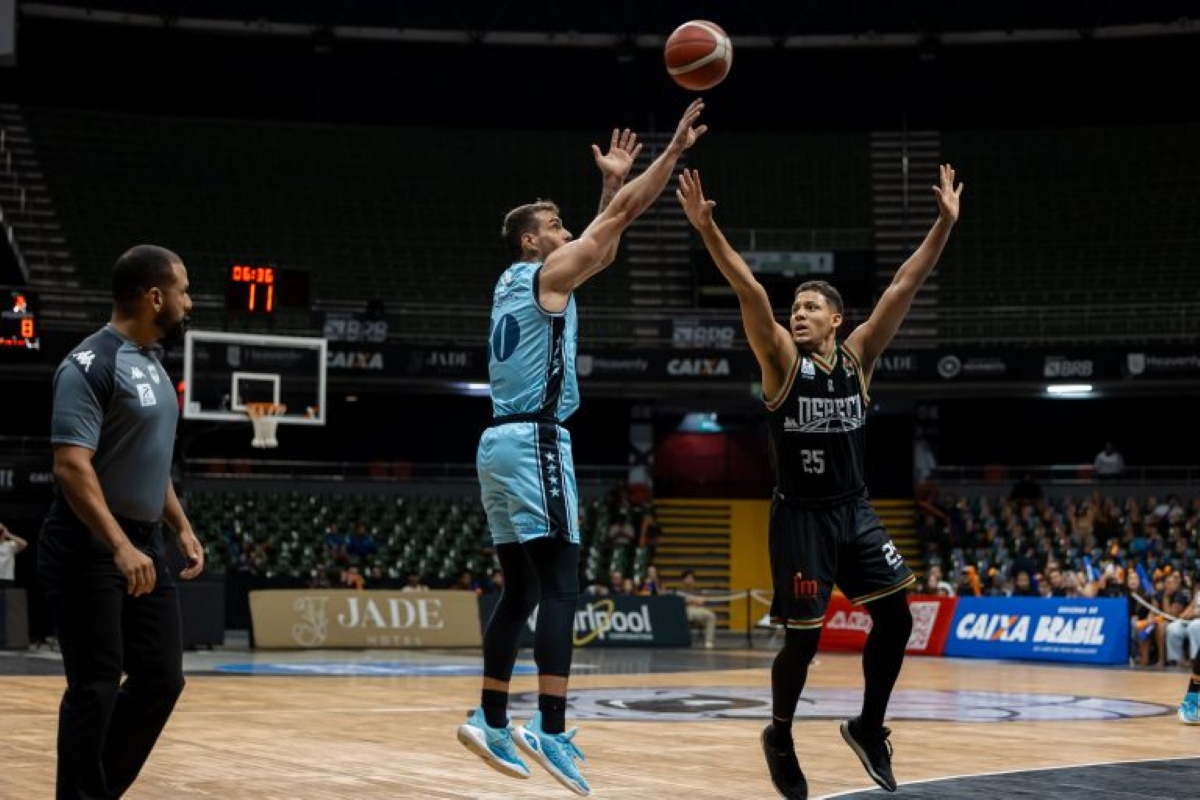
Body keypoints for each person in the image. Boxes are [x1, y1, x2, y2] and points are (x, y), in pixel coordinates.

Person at [676, 164, 962, 799]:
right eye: (796, 308)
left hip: (854, 510)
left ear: (837, 319)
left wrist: (943, 225)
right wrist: (707, 229)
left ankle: (868, 727)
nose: (798, 314)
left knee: (897, 619)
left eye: (810, 308)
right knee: (802, 643)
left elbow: (904, 285)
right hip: (800, 518)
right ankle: (779, 735)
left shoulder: (859, 358)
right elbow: (750, 290)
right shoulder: (781, 361)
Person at [457, 99, 708, 797]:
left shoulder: (514, 282)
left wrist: (608, 189)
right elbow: (616, 225)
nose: (565, 232)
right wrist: (671, 152)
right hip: (535, 438)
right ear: (530, 241)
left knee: (519, 590)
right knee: (564, 586)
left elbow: (602, 242)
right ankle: (551, 725)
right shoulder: (545, 274)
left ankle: (491, 717)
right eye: (554, 226)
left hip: (496, 443)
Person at [38, 244, 205, 799]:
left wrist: (180, 525)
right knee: (96, 685)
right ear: (155, 296)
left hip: (143, 542)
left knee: (161, 677)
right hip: (88, 546)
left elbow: (149, 461)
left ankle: (94, 791)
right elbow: (71, 465)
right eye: (182, 290)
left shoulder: (153, 363)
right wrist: (117, 545)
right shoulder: (89, 364)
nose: (188, 302)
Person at [677, 568, 717, 649]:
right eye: (688, 578)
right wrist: (693, 601)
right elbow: (680, 602)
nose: (690, 580)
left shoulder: (697, 591)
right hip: (685, 610)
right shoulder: (679, 591)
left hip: (697, 610)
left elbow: (701, 601)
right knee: (685, 617)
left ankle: (709, 641)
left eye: (692, 578)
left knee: (711, 616)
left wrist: (702, 600)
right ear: (683, 580)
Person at [0, 522, 28, 586]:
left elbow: (24, 544)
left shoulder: (10, 545)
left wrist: (8, 534)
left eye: (1, 531)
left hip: (6, 578)